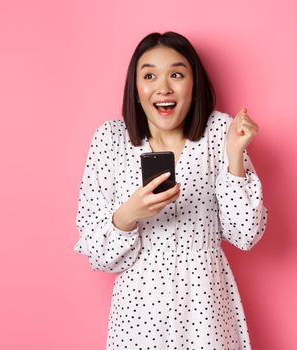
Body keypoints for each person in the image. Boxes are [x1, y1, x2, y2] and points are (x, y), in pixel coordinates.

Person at [74, 31, 268, 349]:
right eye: (149, 75)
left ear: (194, 85)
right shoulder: (110, 140)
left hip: (206, 309)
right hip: (139, 313)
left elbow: (246, 235)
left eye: (176, 74)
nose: (163, 87)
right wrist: (128, 215)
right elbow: (98, 255)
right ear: (136, 89)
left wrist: (235, 156)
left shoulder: (221, 131)